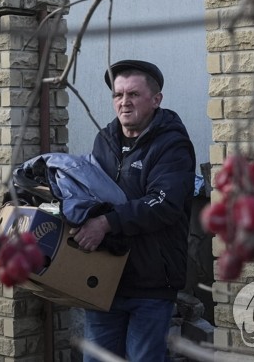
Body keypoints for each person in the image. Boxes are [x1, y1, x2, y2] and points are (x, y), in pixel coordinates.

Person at [71, 59, 196, 362]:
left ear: (156, 100)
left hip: (151, 284)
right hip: (103, 279)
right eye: (118, 95)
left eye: (133, 95)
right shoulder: (105, 141)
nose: (124, 102)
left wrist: (107, 222)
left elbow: (164, 203)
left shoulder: (172, 145)